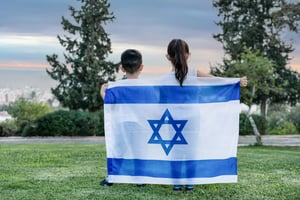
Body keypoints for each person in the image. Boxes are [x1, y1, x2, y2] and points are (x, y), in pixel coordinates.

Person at [165, 38, 247, 192]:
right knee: (191, 151)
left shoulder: (165, 79)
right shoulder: (195, 73)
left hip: (172, 120)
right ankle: (190, 183)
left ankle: (176, 183)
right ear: (188, 55)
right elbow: (217, 81)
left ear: (168, 57)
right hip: (193, 119)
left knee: (175, 151)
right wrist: (235, 82)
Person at [100, 49, 144, 187]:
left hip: (121, 124)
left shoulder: (117, 87)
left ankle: (112, 177)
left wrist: (102, 91)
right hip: (140, 125)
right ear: (141, 67)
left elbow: (109, 104)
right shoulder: (145, 87)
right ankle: (141, 179)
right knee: (139, 152)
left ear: (122, 68)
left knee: (118, 151)